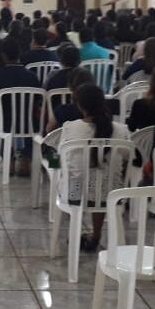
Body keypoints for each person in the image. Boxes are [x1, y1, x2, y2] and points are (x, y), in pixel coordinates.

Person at [57, 83, 129, 252]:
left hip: (75, 193)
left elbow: (63, 155)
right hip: (111, 193)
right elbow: (126, 156)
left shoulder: (70, 127)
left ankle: (74, 231)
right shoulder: (121, 130)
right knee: (101, 181)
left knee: (77, 178)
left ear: (80, 105)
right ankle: (96, 235)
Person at [0, 38, 41, 169]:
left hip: (7, 123)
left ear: (3, 56)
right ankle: (26, 159)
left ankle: (9, 159)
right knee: (32, 122)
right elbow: (38, 103)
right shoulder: (32, 76)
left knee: (0, 122)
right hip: (29, 122)